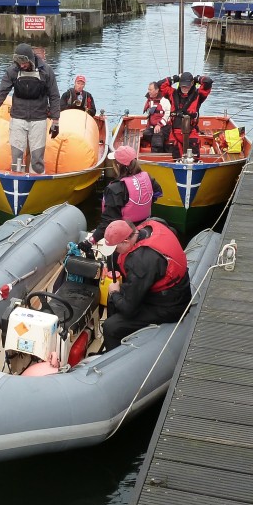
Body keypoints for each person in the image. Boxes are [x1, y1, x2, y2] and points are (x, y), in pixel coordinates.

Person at [100, 218, 192, 351]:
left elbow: (128, 308)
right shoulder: (152, 224)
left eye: (116, 248)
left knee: (111, 326)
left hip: (170, 304)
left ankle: (113, 357)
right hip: (165, 287)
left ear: (126, 241)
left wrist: (114, 293)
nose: (115, 251)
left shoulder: (141, 262)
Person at [0, 43, 61, 174]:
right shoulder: (12, 71)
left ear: (30, 59)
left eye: (24, 62)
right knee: (17, 156)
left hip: (39, 119)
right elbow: (1, 93)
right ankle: (17, 178)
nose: (22, 65)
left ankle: (37, 179)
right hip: (18, 118)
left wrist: (55, 121)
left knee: (36, 158)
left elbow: (54, 96)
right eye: (19, 63)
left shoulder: (46, 71)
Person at [79, 145, 162, 251]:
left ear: (118, 165)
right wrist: (143, 203)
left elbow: (108, 221)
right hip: (143, 225)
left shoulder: (115, 189)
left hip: (124, 233)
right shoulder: (147, 177)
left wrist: (92, 240)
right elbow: (158, 193)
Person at [158, 71, 213, 160]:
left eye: (187, 85)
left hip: (191, 133)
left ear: (191, 84)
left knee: (194, 160)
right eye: (182, 85)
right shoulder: (172, 93)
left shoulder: (198, 95)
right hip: (175, 135)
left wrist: (196, 79)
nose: (184, 88)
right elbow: (160, 85)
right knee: (177, 160)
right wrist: (176, 78)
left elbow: (208, 82)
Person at [141, 81, 170, 152]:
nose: (149, 92)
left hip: (164, 127)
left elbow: (168, 115)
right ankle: (163, 147)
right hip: (153, 126)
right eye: (148, 90)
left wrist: (159, 125)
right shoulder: (150, 100)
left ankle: (157, 154)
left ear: (157, 90)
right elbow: (150, 115)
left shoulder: (164, 101)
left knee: (157, 138)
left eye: (150, 90)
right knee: (146, 134)